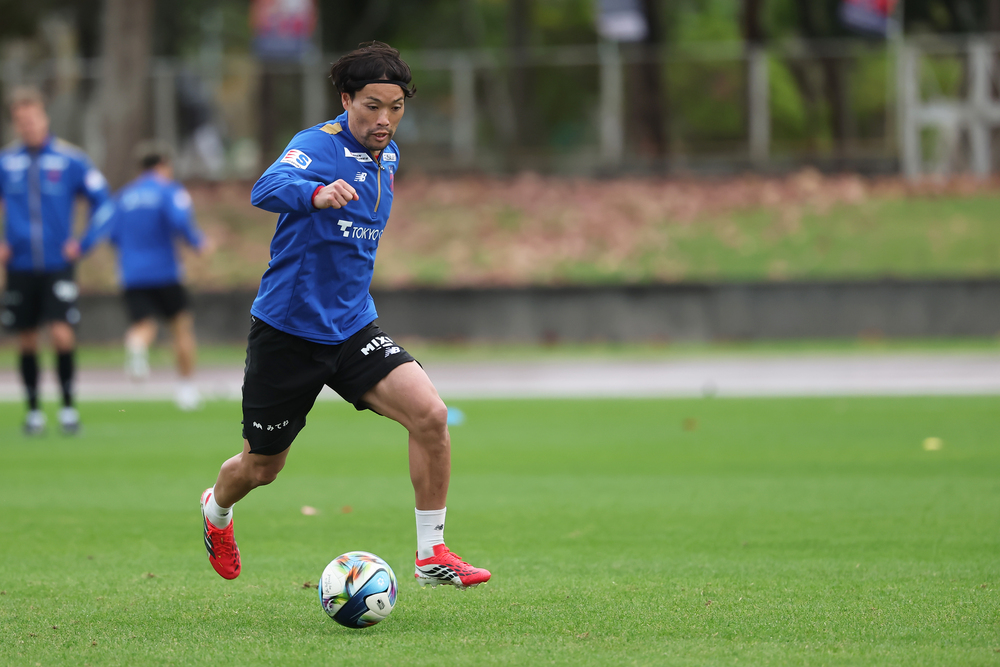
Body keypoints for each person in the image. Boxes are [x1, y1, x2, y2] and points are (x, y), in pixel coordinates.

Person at [199, 41, 491, 589]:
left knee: (431, 416)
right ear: (346, 100)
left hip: (353, 325)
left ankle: (431, 554)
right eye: (372, 106)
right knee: (261, 468)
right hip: (288, 331)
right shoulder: (319, 144)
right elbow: (266, 187)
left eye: (395, 108)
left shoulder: (389, 155)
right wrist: (313, 193)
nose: (384, 120)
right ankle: (216, 510)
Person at [0, 86, 110, 435]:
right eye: (21, 120)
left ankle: (67, 408)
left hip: (57, 265)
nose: (27, 125)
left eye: (32, 118)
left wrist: (83, 243)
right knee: (27, 338)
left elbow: (103, 203)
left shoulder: (70, 160)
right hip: (19, 266)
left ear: (44, 117)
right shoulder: (7, 162)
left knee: (62, 334)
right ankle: (33, 412)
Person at [78, 143, 210, 410]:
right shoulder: (169, 190)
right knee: (180, 327)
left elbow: (109, 232)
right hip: (165, 272)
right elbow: (180, 220)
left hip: (132, 274)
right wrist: (198, 243)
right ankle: (186, 390)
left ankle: (137, 347)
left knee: (143, 325)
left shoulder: (123, 196)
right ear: (163, 165)